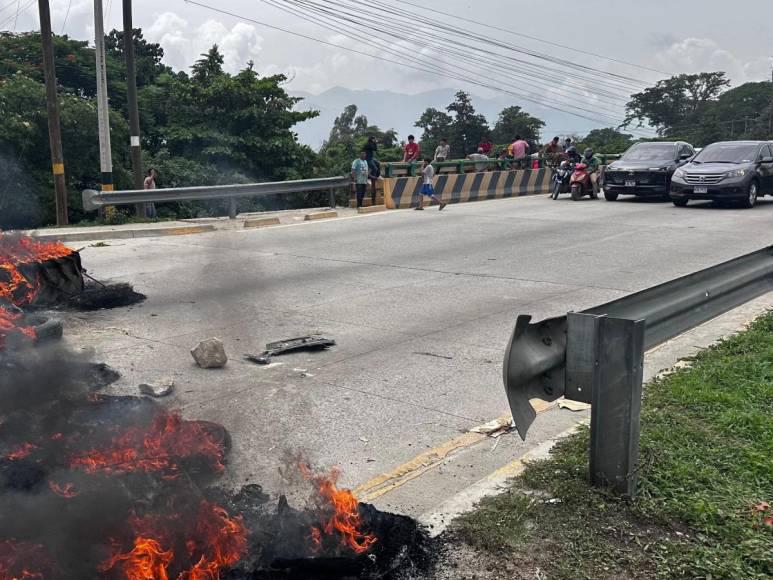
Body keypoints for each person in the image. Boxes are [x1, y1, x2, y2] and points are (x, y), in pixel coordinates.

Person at [364, 136, 380, 204]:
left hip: (371, 158)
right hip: (368, 158)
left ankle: (377, 175)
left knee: (378, 163)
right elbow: (375, 149)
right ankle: (373, 176)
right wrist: (376, 143)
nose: (374, 140)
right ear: (371, 140)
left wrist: (375, 143)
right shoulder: (368, 145)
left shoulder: (371, 144)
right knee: (375, 168)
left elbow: (375, 149)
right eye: (374, 139)